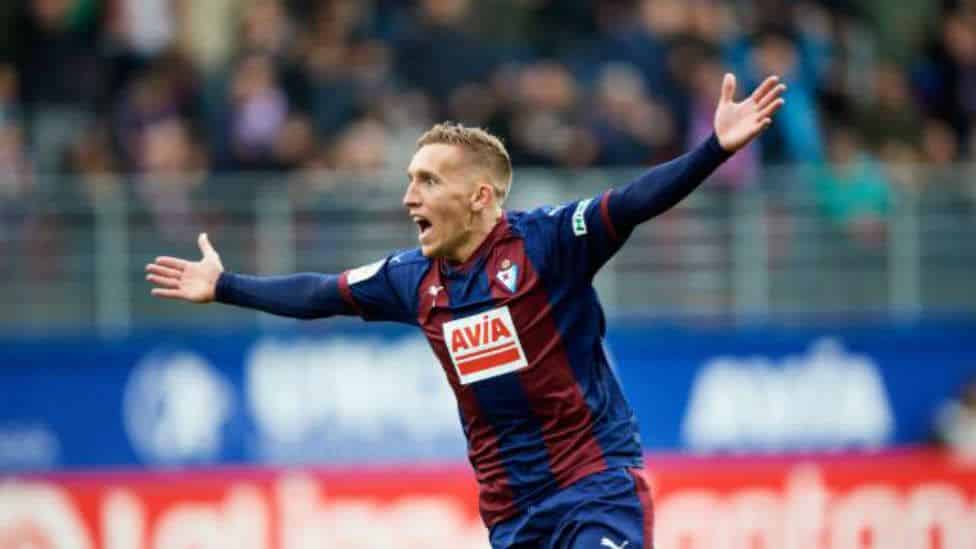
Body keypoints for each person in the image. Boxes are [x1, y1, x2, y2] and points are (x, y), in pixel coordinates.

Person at [146, 73, 785, 549]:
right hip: (511, 516)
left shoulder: (549, 243)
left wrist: (714, 150)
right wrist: (225, 284)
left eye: (427, 181)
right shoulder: (410, 279)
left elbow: (635, 200)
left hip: (595, 487)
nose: (408, 197)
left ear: (480, 197)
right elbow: (320, 293)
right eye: (409, 179)